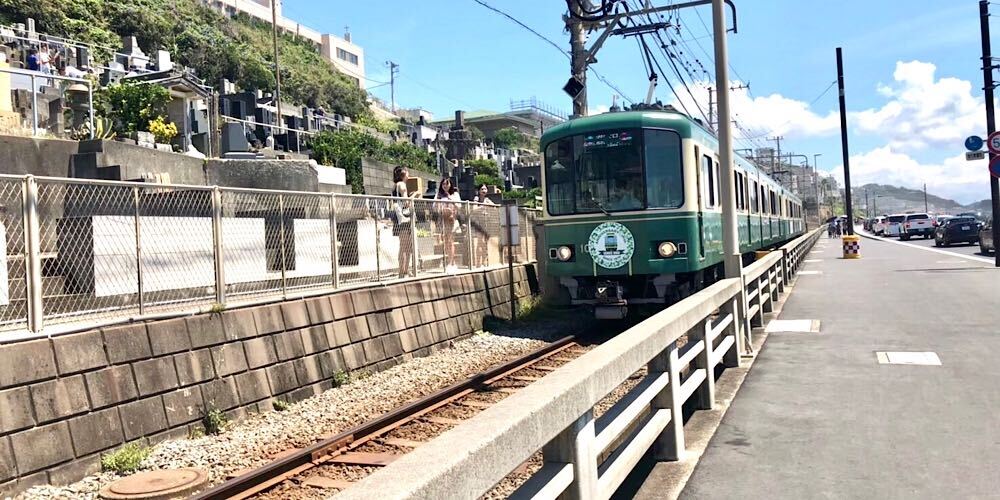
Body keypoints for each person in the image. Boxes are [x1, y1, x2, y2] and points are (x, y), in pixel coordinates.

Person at [392, 166, 420, 278]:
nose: (409, 174)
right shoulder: (402, 185)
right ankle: (403, 271)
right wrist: (415, 195)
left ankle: (403, 270)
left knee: (404, 246)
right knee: (406, 246)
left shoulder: (395, 186)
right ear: (403, 174)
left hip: (399, 217)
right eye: (407, 172)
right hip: (405, 218)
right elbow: (406, 202)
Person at [435, 177, 461, 272]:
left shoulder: (455, 194)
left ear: (450, 185)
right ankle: (450, 261)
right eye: (443, 184)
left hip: (451, 219)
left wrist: (450, 199)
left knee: (450, 241)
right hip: (443, 220)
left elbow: (459, 206)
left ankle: (451, 262)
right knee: (445, 241)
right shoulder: (439, 195)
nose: (445, 186)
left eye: (447, 184)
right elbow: (435, 207)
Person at [471, 184, 495, 268]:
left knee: (485, 243)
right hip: (478, 222)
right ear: (479, 191)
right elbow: (474, 208)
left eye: (485, 189)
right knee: (479, 242)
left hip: (486, 222)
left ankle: (484, 262)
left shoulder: (487, 200)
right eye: (482, 189)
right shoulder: (476, 199)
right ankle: (478, 263)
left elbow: (494, 207)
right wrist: (482, 207)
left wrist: (488, 206)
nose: (484, 190)